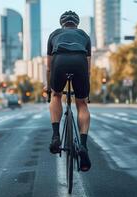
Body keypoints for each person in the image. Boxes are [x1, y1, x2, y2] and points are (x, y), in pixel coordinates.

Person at [46, 11, 91, 171]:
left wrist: (49, 88)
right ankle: (83, 146)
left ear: (62, 24)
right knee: (81, 103)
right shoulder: (84, 35)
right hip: (80, 63)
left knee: (56, 96)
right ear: (76, 24)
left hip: (59, 62)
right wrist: (87, 92)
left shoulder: (54, 34)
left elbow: (49, 67)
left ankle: (56, 136)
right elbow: (88, 67)